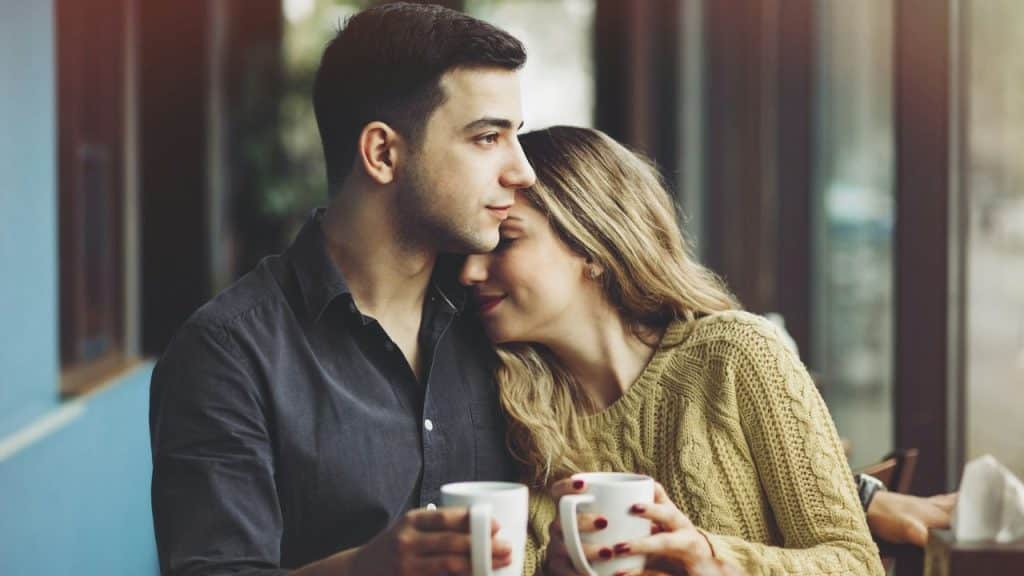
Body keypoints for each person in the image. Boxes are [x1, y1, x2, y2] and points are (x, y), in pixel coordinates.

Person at [148, 3, 536, 575]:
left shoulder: (503, 313)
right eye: (487, 138)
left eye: (515, 136)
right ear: (382, 153)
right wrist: (364, 568)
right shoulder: (227, 353)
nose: (521, 171)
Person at [458, 126, 887, 575]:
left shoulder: (736, 355)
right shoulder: (511, 411)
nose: (470, 271)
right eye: (470, 250)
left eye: (505, 241)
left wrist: (711, 560)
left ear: (593, 245)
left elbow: (857, 564)